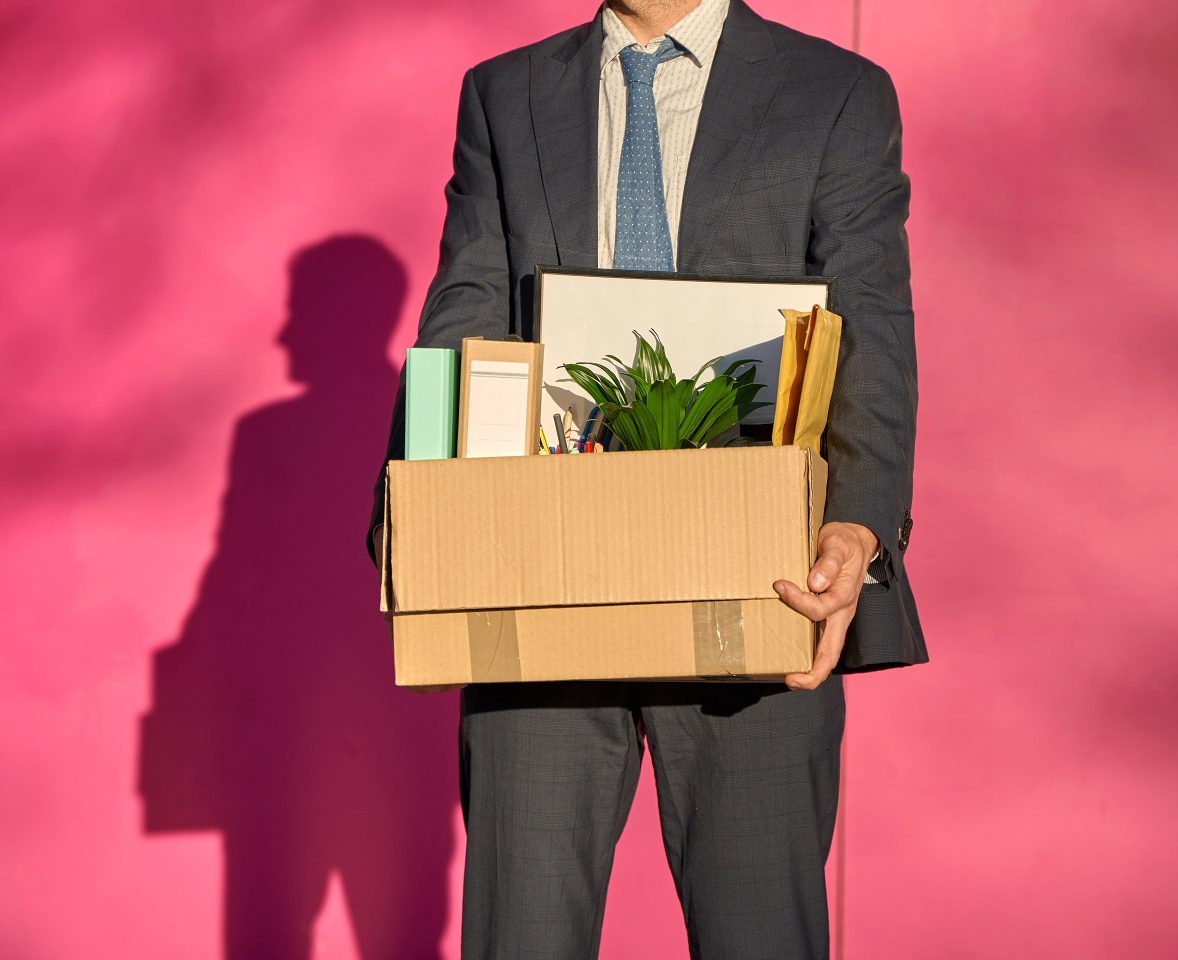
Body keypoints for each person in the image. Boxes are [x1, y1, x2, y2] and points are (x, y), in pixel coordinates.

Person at [368, 1, 926, 957]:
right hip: (539, 575)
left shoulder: (838, 94)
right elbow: (464, 310)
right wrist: (419, 533)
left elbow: (869, 322)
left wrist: (859, 527)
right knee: (521, 937)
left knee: (761, 935)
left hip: (755, 575)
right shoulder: (504, 93)